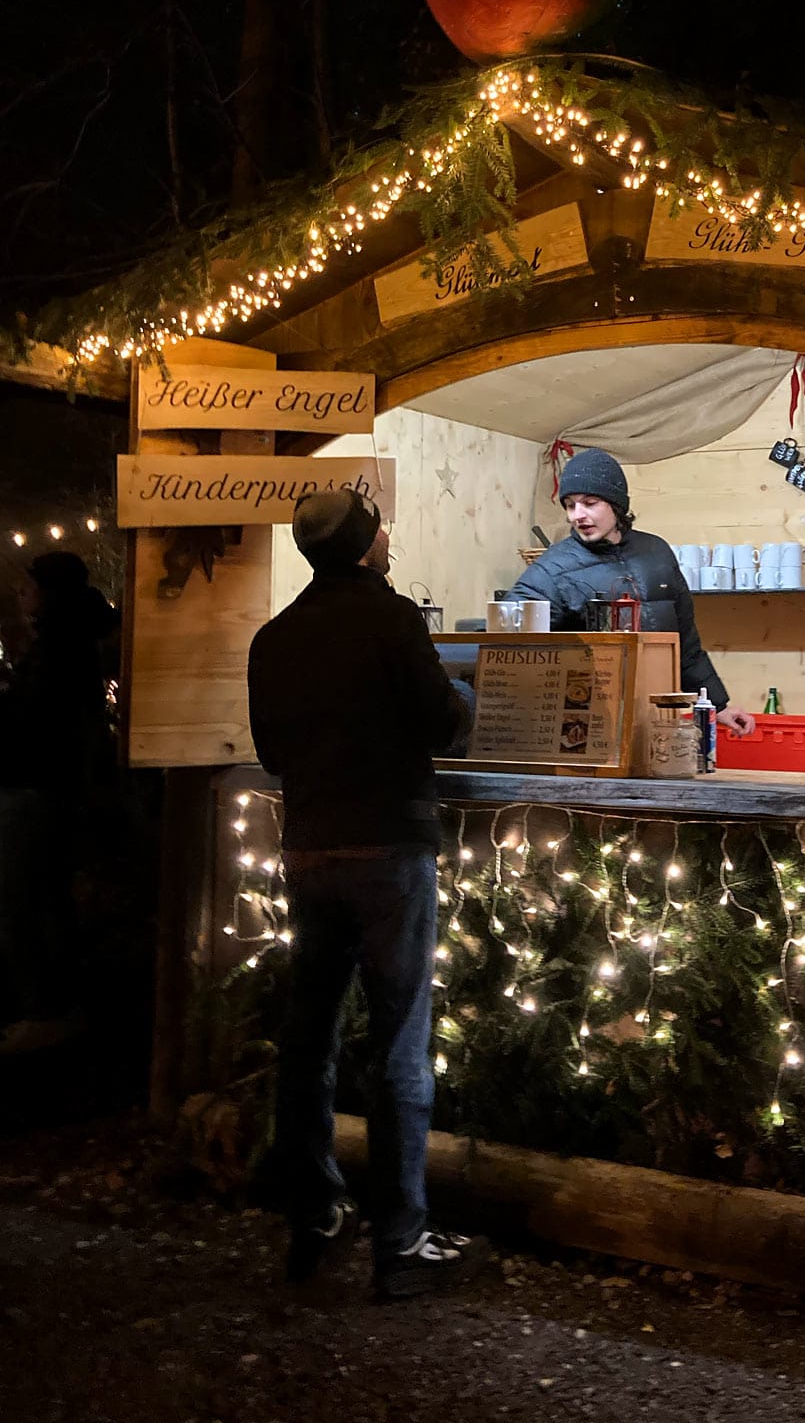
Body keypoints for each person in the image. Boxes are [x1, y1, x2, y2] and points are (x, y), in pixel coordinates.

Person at [247, 488, 487, 1299]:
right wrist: (464, 706)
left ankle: (313, 1213)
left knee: (308, 1040)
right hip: (390, 850)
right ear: (362, 545)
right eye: (379, 526)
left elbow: (275, 755)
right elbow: (439, 722)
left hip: (310, 851)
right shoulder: (391, 618)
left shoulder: (274, 637)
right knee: (399, 1047)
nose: (389, 536)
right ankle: (402, 1245)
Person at [505, 448, 756, 737]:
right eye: (571, 505)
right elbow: (512, 641)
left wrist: (716, 704)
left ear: (616, 504)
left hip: (659, 717)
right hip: (589, 723)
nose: (578, 515)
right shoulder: (551, 569)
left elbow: (685, 641)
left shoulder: (656, 552)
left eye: (589, 503)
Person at [0, 551, 117, 1054]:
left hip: (39, 788)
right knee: (44, 898)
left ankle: (48, 1009)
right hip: (53, 787)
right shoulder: (69, 642)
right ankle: (55, 1007)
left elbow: (37, 723)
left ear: (50, 591)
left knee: (24, 900)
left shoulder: (60, 648)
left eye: (29, 586)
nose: (22, 594)